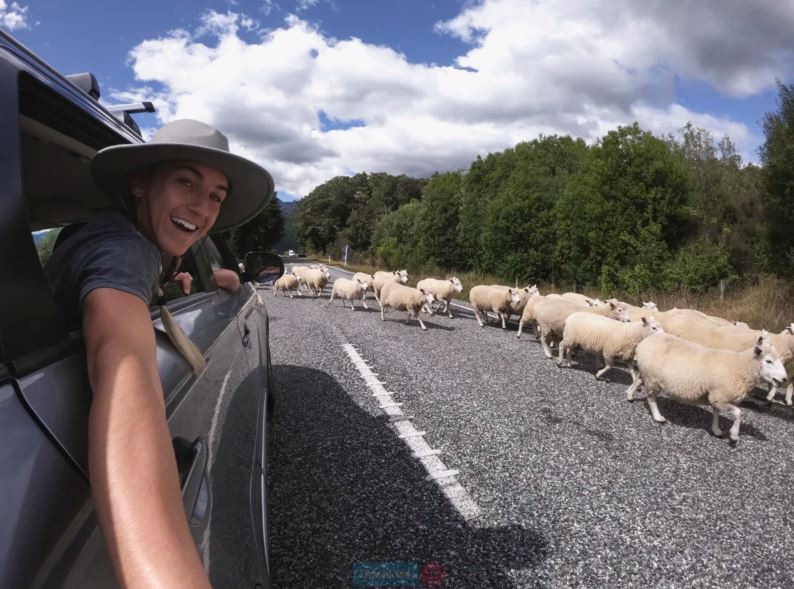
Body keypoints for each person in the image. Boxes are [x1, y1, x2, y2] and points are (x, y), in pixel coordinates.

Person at [44, 119, 274, 587]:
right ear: (139, 184)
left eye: (216, 195)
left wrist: (199, 278)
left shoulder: (141, 239)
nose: (202, 207)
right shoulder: (123, 250)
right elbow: (122, 355)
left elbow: (164, 261)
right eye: (185, 181)